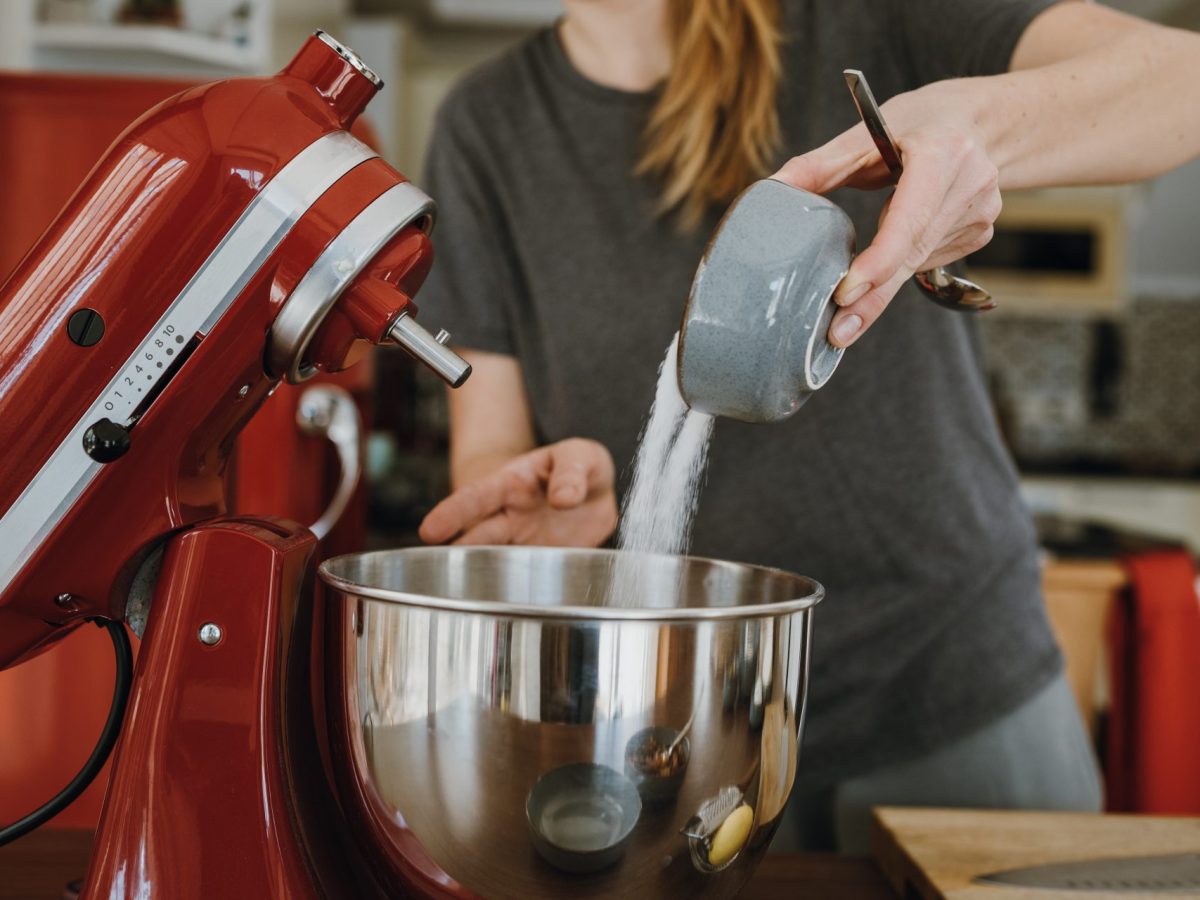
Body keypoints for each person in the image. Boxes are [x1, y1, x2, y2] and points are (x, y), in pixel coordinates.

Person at [414, 0, 1200, 853]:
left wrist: (976, 128)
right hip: (691, 731)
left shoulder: (859, 20)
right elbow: (488, 448)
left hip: (953, 689)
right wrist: (546, 499)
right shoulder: (486, 125)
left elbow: (1182, 84)